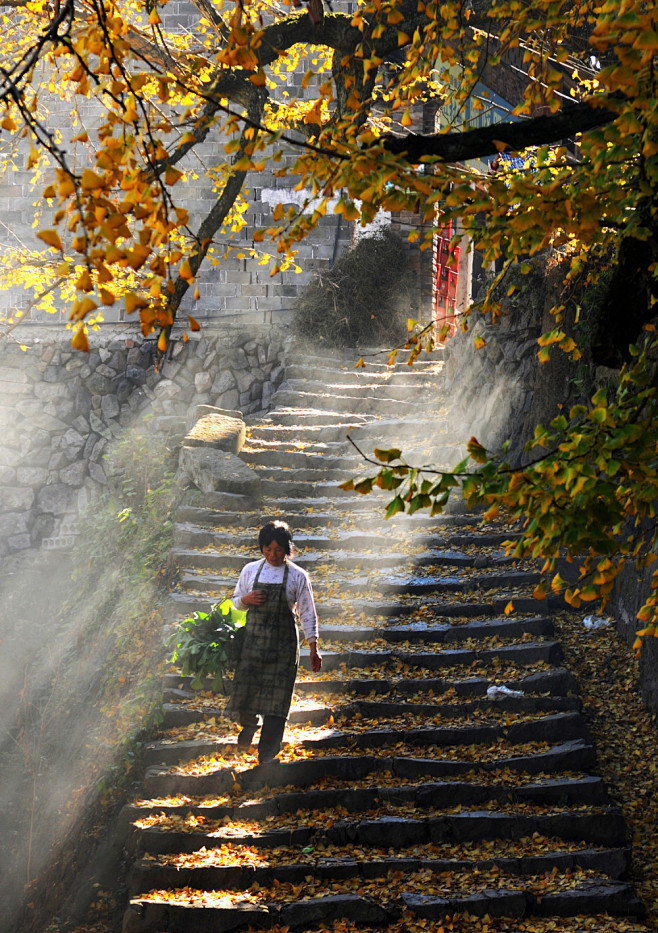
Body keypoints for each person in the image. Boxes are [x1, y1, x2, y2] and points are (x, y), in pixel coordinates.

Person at [226, 520, 322, 764]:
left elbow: (308, 612)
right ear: (261, 549)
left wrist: (313, 647)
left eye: (278, 550)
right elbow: (235, 601)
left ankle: (268, 754)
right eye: (267, 550)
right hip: (253, 644)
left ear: (288, 549)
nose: (273, 555)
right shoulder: (250, 571)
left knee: (277, 702)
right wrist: (247, 599)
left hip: (283, 648)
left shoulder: (298, 576)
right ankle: (248, 724)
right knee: (245, 692)